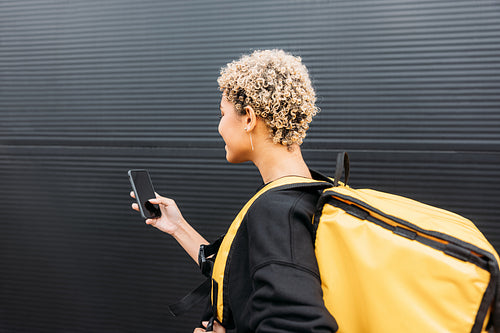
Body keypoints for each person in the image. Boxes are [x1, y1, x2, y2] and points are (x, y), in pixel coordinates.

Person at [131, 49, 337, 332]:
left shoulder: (276, 211)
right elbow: (242, 272)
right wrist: (178, 227)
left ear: (249, 119)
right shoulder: (308, 192)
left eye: (222, 113)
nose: (219, 126)